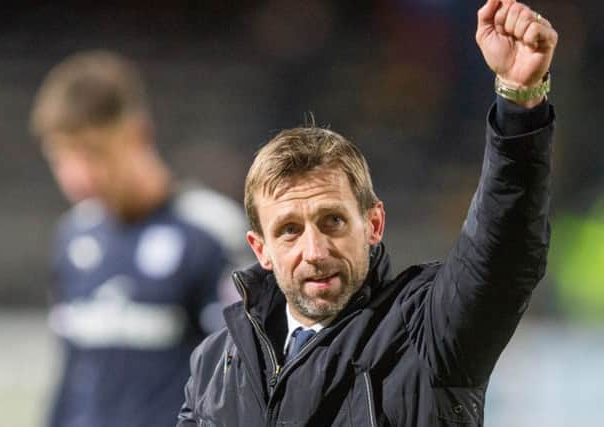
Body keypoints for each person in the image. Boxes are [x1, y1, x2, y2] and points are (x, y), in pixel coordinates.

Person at [177, 1, 558, 426]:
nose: (315, 250)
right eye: (289, 230)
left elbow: (500, 253)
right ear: (260, 249)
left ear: (373, 223)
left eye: (333, 221)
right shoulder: (216, 363)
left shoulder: (427, 330)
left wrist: (519, 105)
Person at [30, 51, 247, 427]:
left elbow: (244, 378)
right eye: (61, 158)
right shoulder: (73, 236)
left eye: (93, 152)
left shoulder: (210, 233)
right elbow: (71, 378)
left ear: (138, 133)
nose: (76, 175)